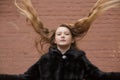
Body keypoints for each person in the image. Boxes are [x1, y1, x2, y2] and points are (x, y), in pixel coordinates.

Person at [0, 0, 120, 80]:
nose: (63, 36)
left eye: (66, 34)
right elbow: (25, 77)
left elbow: (99, 76)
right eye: (59, 34)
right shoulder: (45, 60)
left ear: (72, 40)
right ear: (55, 40)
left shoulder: (79, 58)